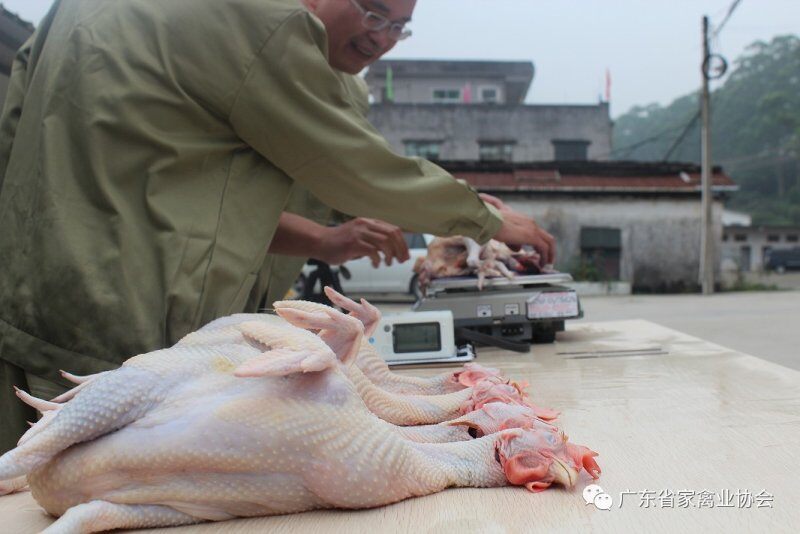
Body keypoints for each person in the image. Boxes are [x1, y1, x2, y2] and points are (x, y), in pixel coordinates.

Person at [0, 0, 555, 453]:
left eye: (399, 27)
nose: (382, 37)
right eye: (372, 12)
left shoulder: (70, 11)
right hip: (131, 323)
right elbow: (346, 164)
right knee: (120, 488)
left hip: (27, 307)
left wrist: (390, 211)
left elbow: (20, 138)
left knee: (22, 489)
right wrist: (483, 219)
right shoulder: (260, 19)